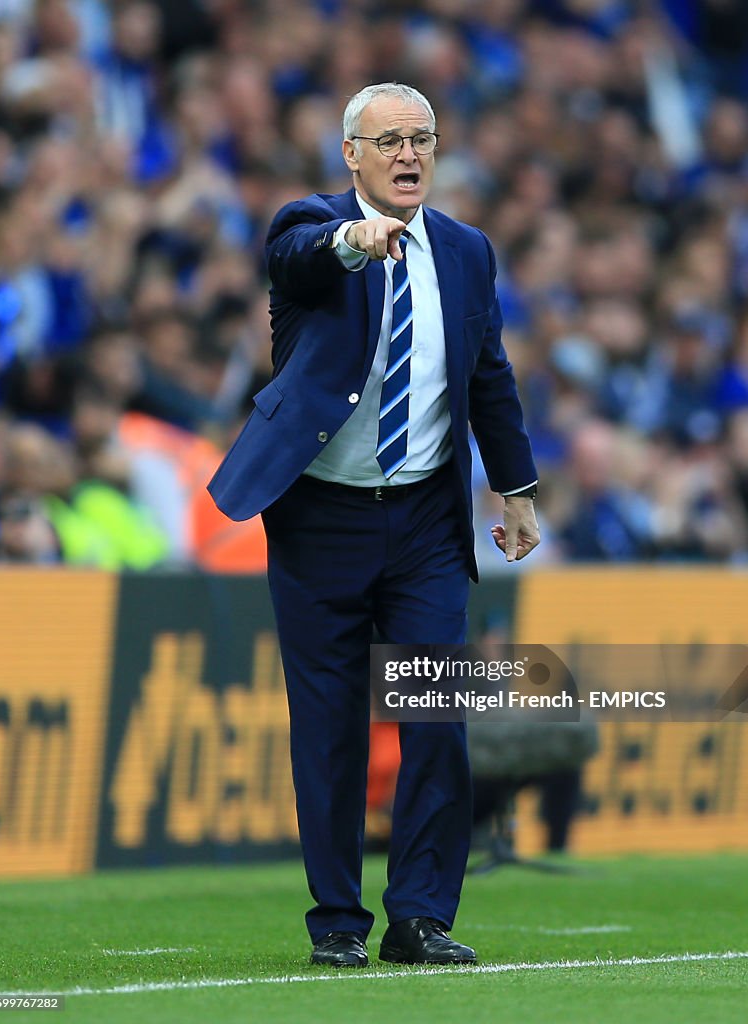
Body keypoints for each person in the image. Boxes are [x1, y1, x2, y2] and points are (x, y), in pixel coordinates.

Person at [208, 82, 540, 968]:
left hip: (427, 520)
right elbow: (298, 258)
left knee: (437, 715)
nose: (407, 154)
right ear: (350, 154)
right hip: (321, 517)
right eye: (387, 139)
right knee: (329, 726)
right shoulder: (307, 226)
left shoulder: (468, 252)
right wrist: (353, 241)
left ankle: (421, 915)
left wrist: (516, 488)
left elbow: (489, 377)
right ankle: (338, 924)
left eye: (422, 138)